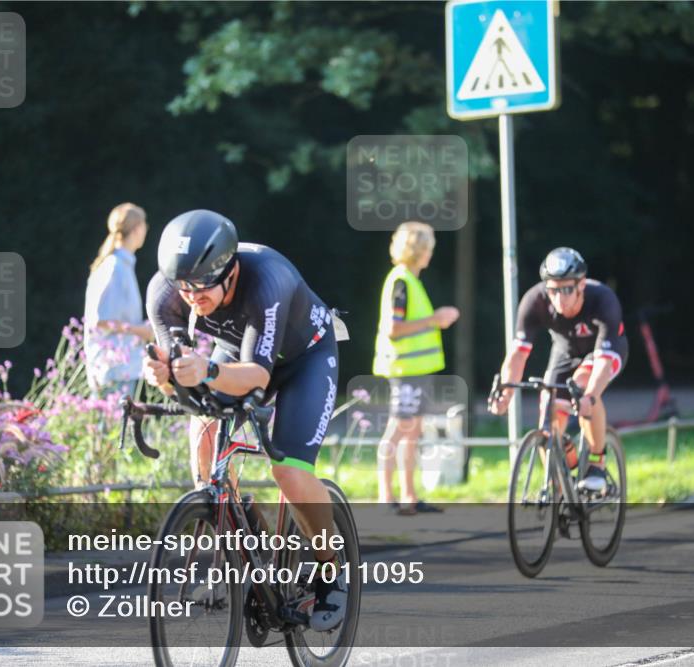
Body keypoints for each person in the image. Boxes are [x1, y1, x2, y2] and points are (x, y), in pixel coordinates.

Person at [143, 209, 346, 632]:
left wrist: (209, 372)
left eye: (200, 286)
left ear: (229, 273)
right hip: (238, 350)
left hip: (304, 358)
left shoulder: (266, 279)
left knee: (288, 471)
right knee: (204, 450)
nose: (190, 297)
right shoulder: (166, 292)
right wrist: (164, 376)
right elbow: (180, 375)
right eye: (182, 287)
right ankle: (244, 528)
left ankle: (330, 570)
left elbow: (257, 377)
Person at [488, 247, 627, 493]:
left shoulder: (602, 299)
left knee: (583, 383)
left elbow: (604, 362)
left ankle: (597, 464)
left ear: (581, 285)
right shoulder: (535, 300)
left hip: (604, 352)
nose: (559, 298)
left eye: (567, 289)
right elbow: (518, 354)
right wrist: (507, 392)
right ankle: (561, 489)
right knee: (548, 418)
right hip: (565, 352)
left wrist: (590, 397)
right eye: (553, 290)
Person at [372, 222, 458, 515]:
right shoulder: (402, 282)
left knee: (411, 431)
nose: (430, 254)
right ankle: (387, 496)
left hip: (415, 370)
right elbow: (394, 328)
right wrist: (435, 319)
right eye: (428, 248)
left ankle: (408, 495)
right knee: (399, 430)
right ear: (419, 251)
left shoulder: (408, 280)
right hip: (405, 370)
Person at [83, 202, 155, 397]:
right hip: (113, 371)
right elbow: (99, 320)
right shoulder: (114, 268)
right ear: (137, 229)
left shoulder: (120, 265)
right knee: (112, 427)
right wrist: (141, 331)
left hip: (119, 369)